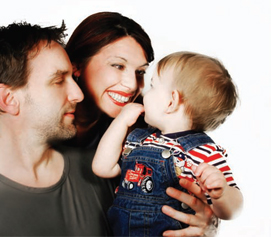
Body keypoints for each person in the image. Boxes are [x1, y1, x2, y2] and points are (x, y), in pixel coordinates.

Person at [0, 12, 219, 236]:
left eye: (140, 72)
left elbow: (195, 194)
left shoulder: (142, 128)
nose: (131, 85)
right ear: (77, 66)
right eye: (117, 65)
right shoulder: (22, 119)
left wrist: (206, 224)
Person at [92, 51, 244, 236]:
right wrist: (121, 122)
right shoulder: (141, 140)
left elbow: (232, 210)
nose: (144, 93)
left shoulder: (201, 152)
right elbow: (102, 167)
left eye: (153, 86)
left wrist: (222, 192)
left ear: (171, 101)